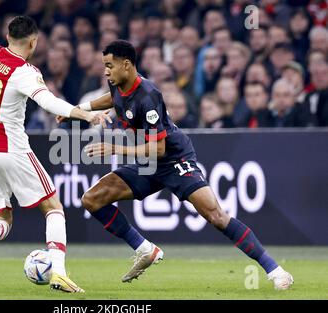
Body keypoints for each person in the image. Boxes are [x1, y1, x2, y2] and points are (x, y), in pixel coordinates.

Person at [66, 40, 293, 289]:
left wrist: (114, 149)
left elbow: (159, 148)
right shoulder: (118, 85)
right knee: (92, 199)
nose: (106, 71)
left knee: (215, 216)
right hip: (147, 162)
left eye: (109, 66)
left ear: (127, 65)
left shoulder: (148, 96)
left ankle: (276, 271)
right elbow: (110, 99)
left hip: (174, 160)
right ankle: (144, 249)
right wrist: (78, 109)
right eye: (104, 66)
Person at [0, 16, 110, 293]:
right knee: (53, 208)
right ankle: (58, 272)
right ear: (33, 42)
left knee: (2, 220)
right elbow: (48, 101)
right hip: (11, 148)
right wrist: (85, 115)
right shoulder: (24, 71)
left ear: (8, 37)